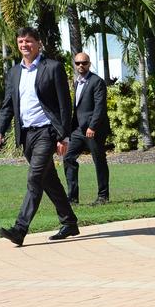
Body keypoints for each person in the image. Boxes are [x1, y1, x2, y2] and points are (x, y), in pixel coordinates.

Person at [0, 27, 79, 246]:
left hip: (47, 132)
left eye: (29, 41)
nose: (24, 45)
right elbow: (8, 105)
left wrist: (64, 136)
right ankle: (69, 222)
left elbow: (64, 105)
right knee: (48, 180)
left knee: (34, 177)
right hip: (27, 135)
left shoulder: (53, 67)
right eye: (21, 41)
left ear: (38, 43)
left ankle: (20, 229)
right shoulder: (13, 73)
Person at [63, 52, 111, 205]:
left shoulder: (97, 82)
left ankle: (103, 196)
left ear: (89, 64)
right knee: (68, 158)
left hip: (93, 129)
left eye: (84, 63)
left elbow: (100, 107)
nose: (80, 66)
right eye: (77, 63)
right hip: (77, 130)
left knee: (99, 161)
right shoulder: (76, 82)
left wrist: (93, 126)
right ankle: (72, 197)